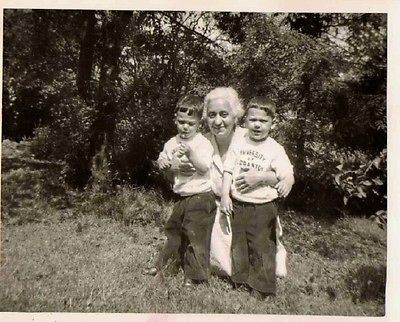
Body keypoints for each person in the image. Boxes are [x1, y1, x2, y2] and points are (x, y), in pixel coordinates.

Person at [220, 96, 294, 299]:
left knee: (261, 246)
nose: (257, 125)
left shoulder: (274, 149)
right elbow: (227, 171)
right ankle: (240, 280)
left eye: (263, 121)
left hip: (263, 206)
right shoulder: (238, 142)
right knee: (239, 243)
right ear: (245, 121)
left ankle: (262, 287)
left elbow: (286, 172)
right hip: (238, 204)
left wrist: (286, 181)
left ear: (272, 123)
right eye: (253, 120)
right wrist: (225, 195)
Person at [150, 95, 216, 287]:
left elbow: (204, 168)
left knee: (195, 234)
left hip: (201, 195)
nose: (185, 127)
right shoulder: (171, 142)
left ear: (199, 125)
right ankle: (165, 265)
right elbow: (164, 159)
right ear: (175, 120)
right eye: (181, 122)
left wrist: (190, 153)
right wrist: (163, 162)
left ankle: (195, 276)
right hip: (182, 195)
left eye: (191, 124)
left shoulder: (202, 143)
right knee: (173, 230)